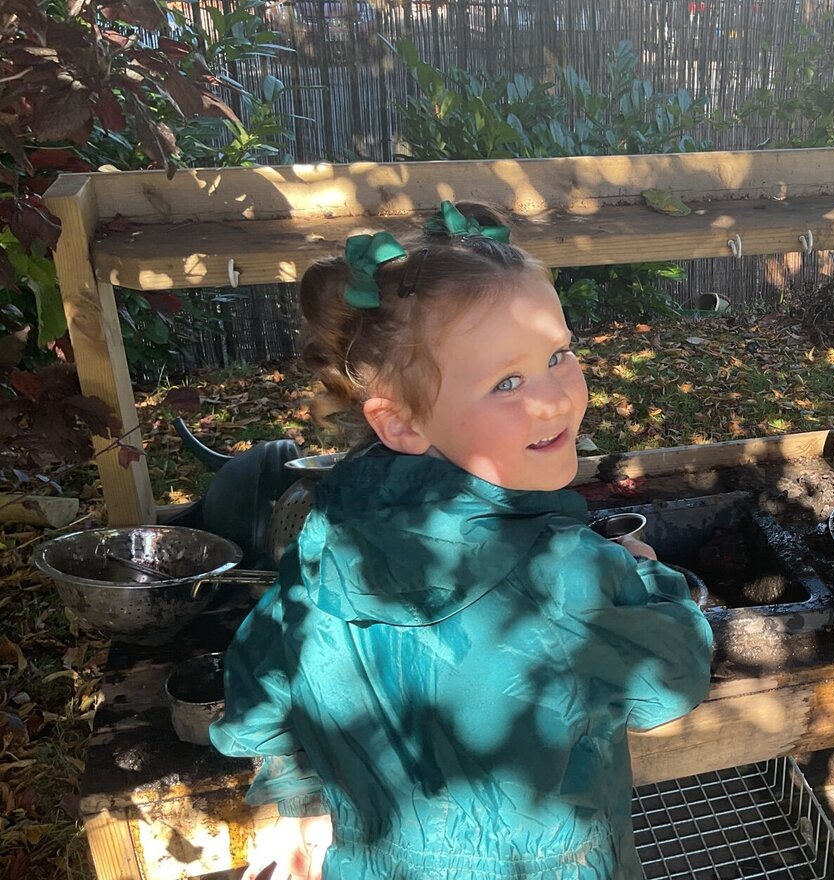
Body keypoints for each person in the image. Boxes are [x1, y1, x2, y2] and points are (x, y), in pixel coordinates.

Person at [211, 202, 715, 880]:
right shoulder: (569, 578)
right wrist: (650, 578)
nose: (556, 400)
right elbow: (673, 679)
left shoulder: (327, 541)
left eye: (558, 355)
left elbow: (263, 682)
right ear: (403, 422)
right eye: (507, 382)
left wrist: (296, 797)